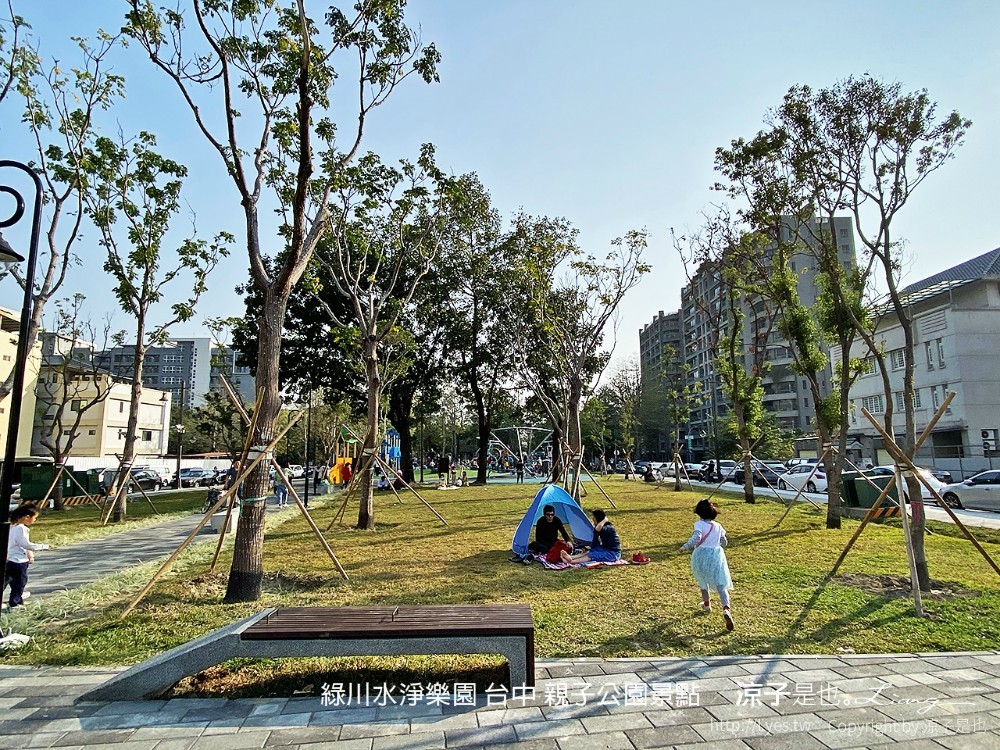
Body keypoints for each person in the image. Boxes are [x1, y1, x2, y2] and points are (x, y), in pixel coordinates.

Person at [680, 498, 734, 631]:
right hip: (716, 555)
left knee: (702, 579)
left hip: (701, 554)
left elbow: (697, 537)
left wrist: (685, 546)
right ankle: (726, 608)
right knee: (721, 583)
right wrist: (717, 545)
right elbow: (724, 541)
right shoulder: (718, 526)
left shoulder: (699, 524)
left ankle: (707, 603)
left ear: (698, 512)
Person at [4, 504, 49, 609]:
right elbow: (25, 544)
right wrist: (42, 546)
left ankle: (18, 596)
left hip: (10, 559)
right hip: (19, 561)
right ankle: (15, 603)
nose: (35, 520)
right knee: (20, 582)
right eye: (35, 517)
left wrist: (30, 553)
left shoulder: (11, 527)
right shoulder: (21, 528)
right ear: (27, 517)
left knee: (8, 580)